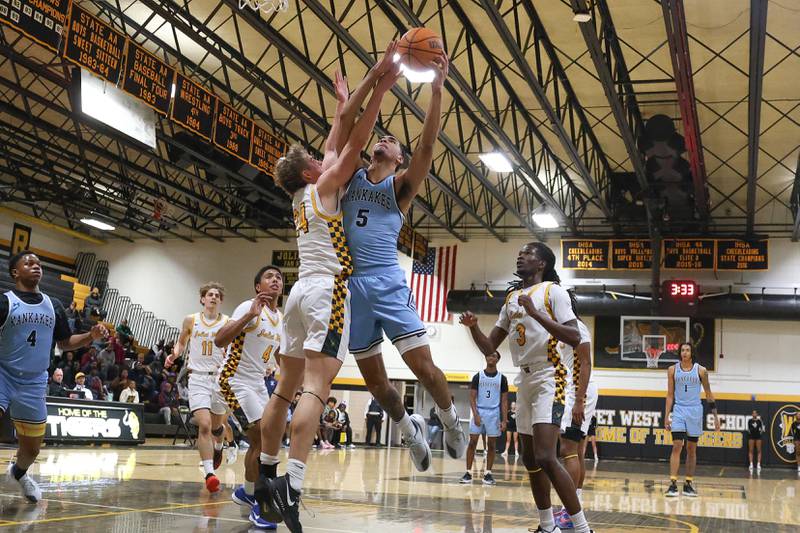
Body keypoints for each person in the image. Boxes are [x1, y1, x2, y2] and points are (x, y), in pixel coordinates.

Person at [255, 43, 402, 533]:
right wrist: (380, 87)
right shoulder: (323, 186)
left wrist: (345, 101)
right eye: (319, 161)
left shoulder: (302, 196)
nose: (327, 160)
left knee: (283, 390)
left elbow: (340, 135)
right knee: (317, 389)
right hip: (327, 291)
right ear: (308, 172)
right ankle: (292, 488)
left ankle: (267, 474)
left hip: (298, 293)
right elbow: (353, 146)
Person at [342, 48, 465, 474]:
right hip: (353, 288)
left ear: (398, 159)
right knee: (376, 383)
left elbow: (428, 145)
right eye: (383, 137)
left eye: (393, 142)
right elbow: (347, 129)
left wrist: (436, 90)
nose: (384, 139)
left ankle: (451, 421)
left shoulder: (400, 188)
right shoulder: (349, 175)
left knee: (425, 371)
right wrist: (358, 94)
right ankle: (410, 432)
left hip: (387, 283)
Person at [460, 242, 593, 533]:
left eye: (528, 253)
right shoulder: (511, 298)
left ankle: (582, 528)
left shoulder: (552, 292)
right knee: (530, 458)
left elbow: (573, 335)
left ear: (542, 263)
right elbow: (490, 347)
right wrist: (472, 327)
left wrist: (535, 314)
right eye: (520, 253)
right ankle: (547, 526)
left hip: (551, 376)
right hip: (525, 378)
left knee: (547, 455)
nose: (521, 257)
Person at [1, 250, 107, 502]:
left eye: (38, 263)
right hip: (3, 373)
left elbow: (66, 341)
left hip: (35, 381)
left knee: (32, 449)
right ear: (16, 272)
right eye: (29, 263)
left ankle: (19, 473)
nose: (36, 266)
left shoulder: (53, 305)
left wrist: (90, 336)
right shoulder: (5, 302)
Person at [214, 266, 284, 529]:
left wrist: (290, 379)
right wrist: (249, 316)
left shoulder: (281, 318)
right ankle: (260, 504)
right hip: (233, 380)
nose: (275, 280)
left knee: (272, 437)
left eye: (279, 277)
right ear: (258, 286)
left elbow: (278, 354)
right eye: (269, 277)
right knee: (259, 436)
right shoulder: (248, 307)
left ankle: (247, 491)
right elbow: (220, 340)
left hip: (257, 383)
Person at [165, 282, 230, 493]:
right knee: (204, 425)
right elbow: (182, 342)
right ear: (203, 299)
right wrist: (174, 354)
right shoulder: (190, 319)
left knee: (217, 428)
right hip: (198, 378)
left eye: (217, 295)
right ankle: (210, 474)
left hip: (219, 379)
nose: (213, 297)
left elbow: (232, 349)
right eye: (209, 294)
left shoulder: (228, 322)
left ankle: (219, 446)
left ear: (220, 301)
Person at [551, 294, 595, 530]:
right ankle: (574, 505)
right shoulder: (565, 328)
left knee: (567, 449)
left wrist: (579, 399)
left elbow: (585, 363)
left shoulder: (577, 327)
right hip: (577, 390)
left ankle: (571, 510)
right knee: (576, 451)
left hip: (578, 391)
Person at [664, 342, 720, 497]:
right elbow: (670, 395)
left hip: (695, 410)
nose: (685, 352)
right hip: (679, 409)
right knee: (677, 445)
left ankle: (688, 483)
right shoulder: (672, 370)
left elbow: (708, 393)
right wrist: (666, 416)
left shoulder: (701, 371)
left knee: (691, 449)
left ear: (692, 353)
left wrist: (715, 417)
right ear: (680, 353)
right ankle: (673, 484)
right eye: (682, 350)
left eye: (687, 350)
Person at [461, 351, 508, 486]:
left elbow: (504, 401)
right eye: (489, 355)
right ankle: (468, 472)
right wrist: (475, 414)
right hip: (480, 411)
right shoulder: (478, 376)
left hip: (493, 413)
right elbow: (472, 397)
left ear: (498, 359)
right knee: (472, 442)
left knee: (492, 445)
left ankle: (488, 473)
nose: (491, 357)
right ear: (485, 357)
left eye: (494, 355)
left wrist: (504, 420)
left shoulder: (502, 378)